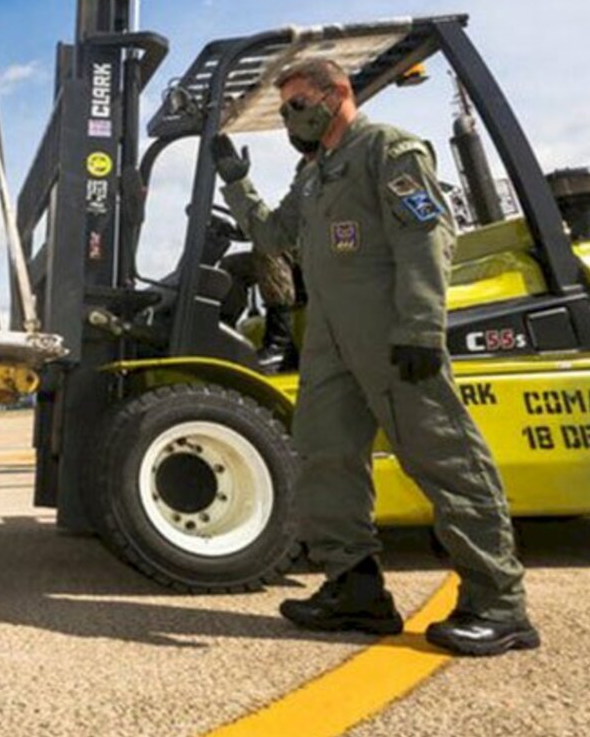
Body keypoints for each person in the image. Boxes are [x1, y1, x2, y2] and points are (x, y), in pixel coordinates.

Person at [210, 57, 538, 657]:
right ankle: (354, 591)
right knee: (326, 456)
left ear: (338, 95)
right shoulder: (314, 175)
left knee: (442, 457)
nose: (292, 118)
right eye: (286, 109)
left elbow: (426, 236)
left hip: (392, 334)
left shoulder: (387, 149)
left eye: (299, 104)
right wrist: (236, 181)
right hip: (332, 340)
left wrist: (420, 326)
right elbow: (273, 237)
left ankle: (498, 603)